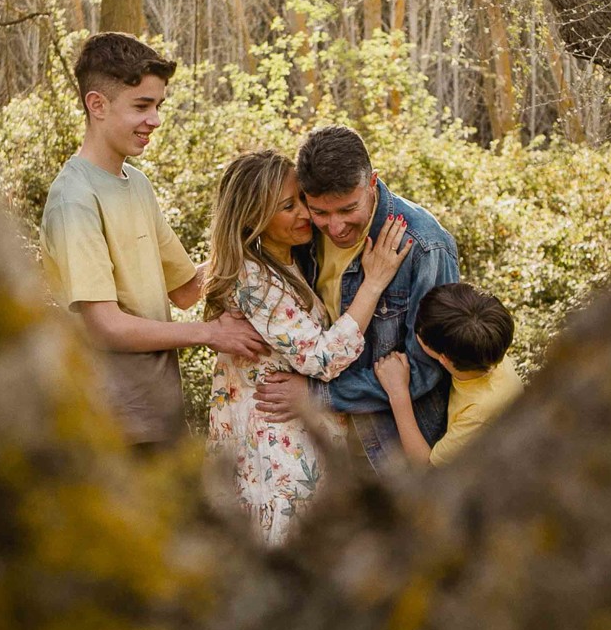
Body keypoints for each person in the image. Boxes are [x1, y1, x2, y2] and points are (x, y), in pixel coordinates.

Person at [38, 32, 266, 447]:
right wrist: (211, 332)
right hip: (110, 430)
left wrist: (250, 235)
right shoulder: (74, 200)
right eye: (142, 106)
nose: (155, 120)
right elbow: (105, 326)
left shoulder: (137, 184)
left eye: (158, 106)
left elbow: (184, 289)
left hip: (161, 420)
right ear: (97, 105)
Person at [203, 150, 414, 544]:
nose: (306, 213)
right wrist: (375, 281)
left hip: (297, 437)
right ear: (253, 218)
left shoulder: (285, 262)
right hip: (276, 446)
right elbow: (322, 358)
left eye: (302, 198)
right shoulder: (255, 280)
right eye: (288, 206)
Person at [255, 125, 460, 465]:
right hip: (319, 441)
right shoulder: (302, 233)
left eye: (348, 209)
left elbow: (426, 370)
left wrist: (316, 394)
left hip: (393, 445)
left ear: (372, 183)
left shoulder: (425, 247)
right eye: (320, 212)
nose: (335, 228)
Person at [375, 282, 522, 466]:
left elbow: (428, 467)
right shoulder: (488, 344)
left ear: (444, 359)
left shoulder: (479, 412)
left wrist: (398, 393)